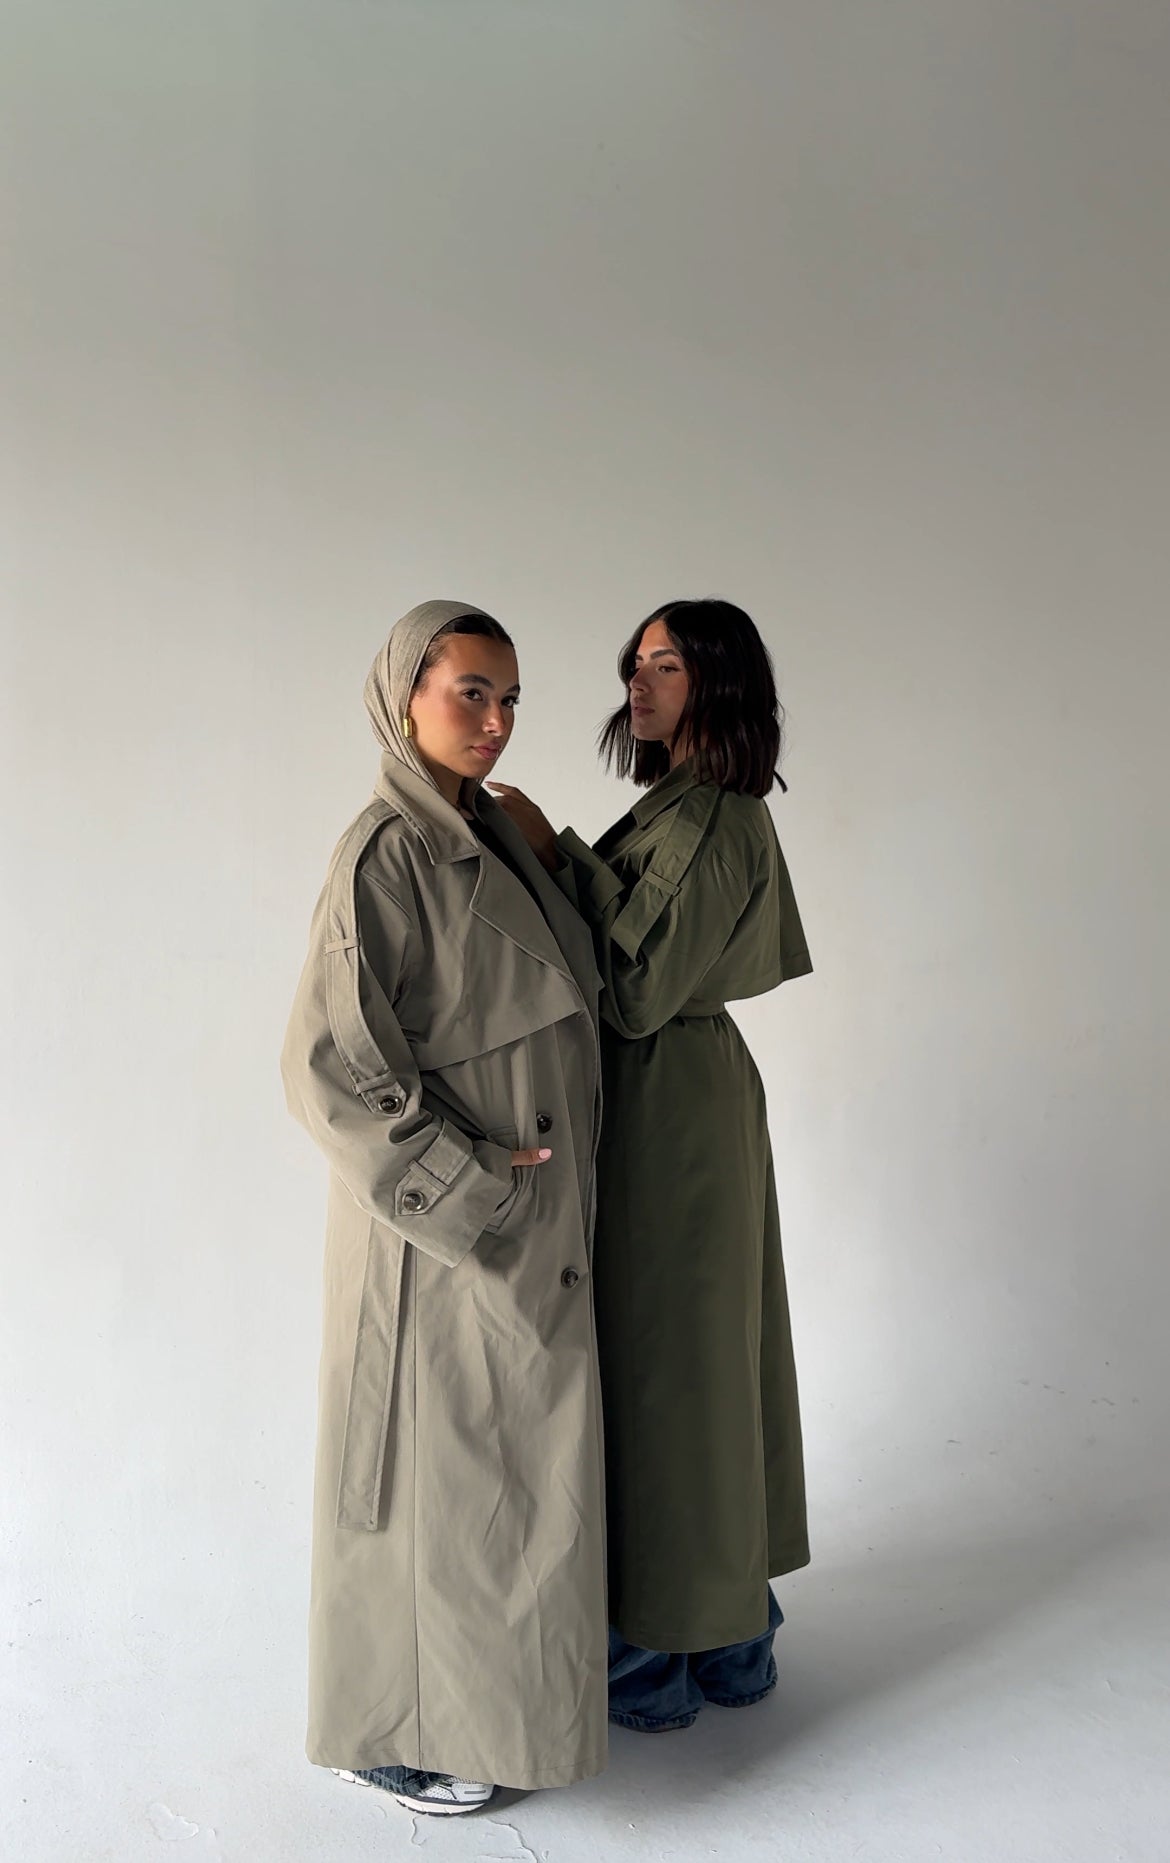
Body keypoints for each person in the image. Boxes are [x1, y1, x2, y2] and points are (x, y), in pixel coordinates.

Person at [280, 600, 608, 1815]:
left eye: (510, 697)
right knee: (439, 1483)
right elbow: (327, 1064)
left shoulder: (488, 831)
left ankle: (504, 1714)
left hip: (531, 1218)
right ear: (402, 694)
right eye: (471, 691)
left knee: (514, 1484)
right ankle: (388, 1726)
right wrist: (465, 1187)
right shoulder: (385, 852)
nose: (496, 719)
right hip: (441, 1239)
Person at [490, 597, 812, 1734]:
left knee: (669, 1376)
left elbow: (633, 990)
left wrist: (549, 848)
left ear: (717, 678)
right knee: (693, 1371)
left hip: (671, 1108)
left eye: (666, 664)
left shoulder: (713, 816)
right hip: (671, 1100)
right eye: (635, 662)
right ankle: (726, 1645)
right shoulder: (684, 804)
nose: (639, 680)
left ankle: (659, 1662)